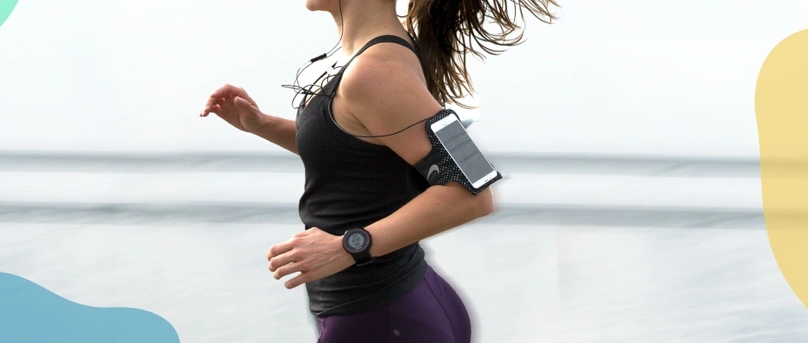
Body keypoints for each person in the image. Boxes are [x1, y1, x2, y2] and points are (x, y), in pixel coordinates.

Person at [200, 1, 558, 341]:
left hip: (381, 318)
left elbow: (474, 192)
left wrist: (349, 246)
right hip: (396, 306)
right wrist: (262, 125)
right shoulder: (381, 55)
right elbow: (356, 150)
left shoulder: (375, 71)